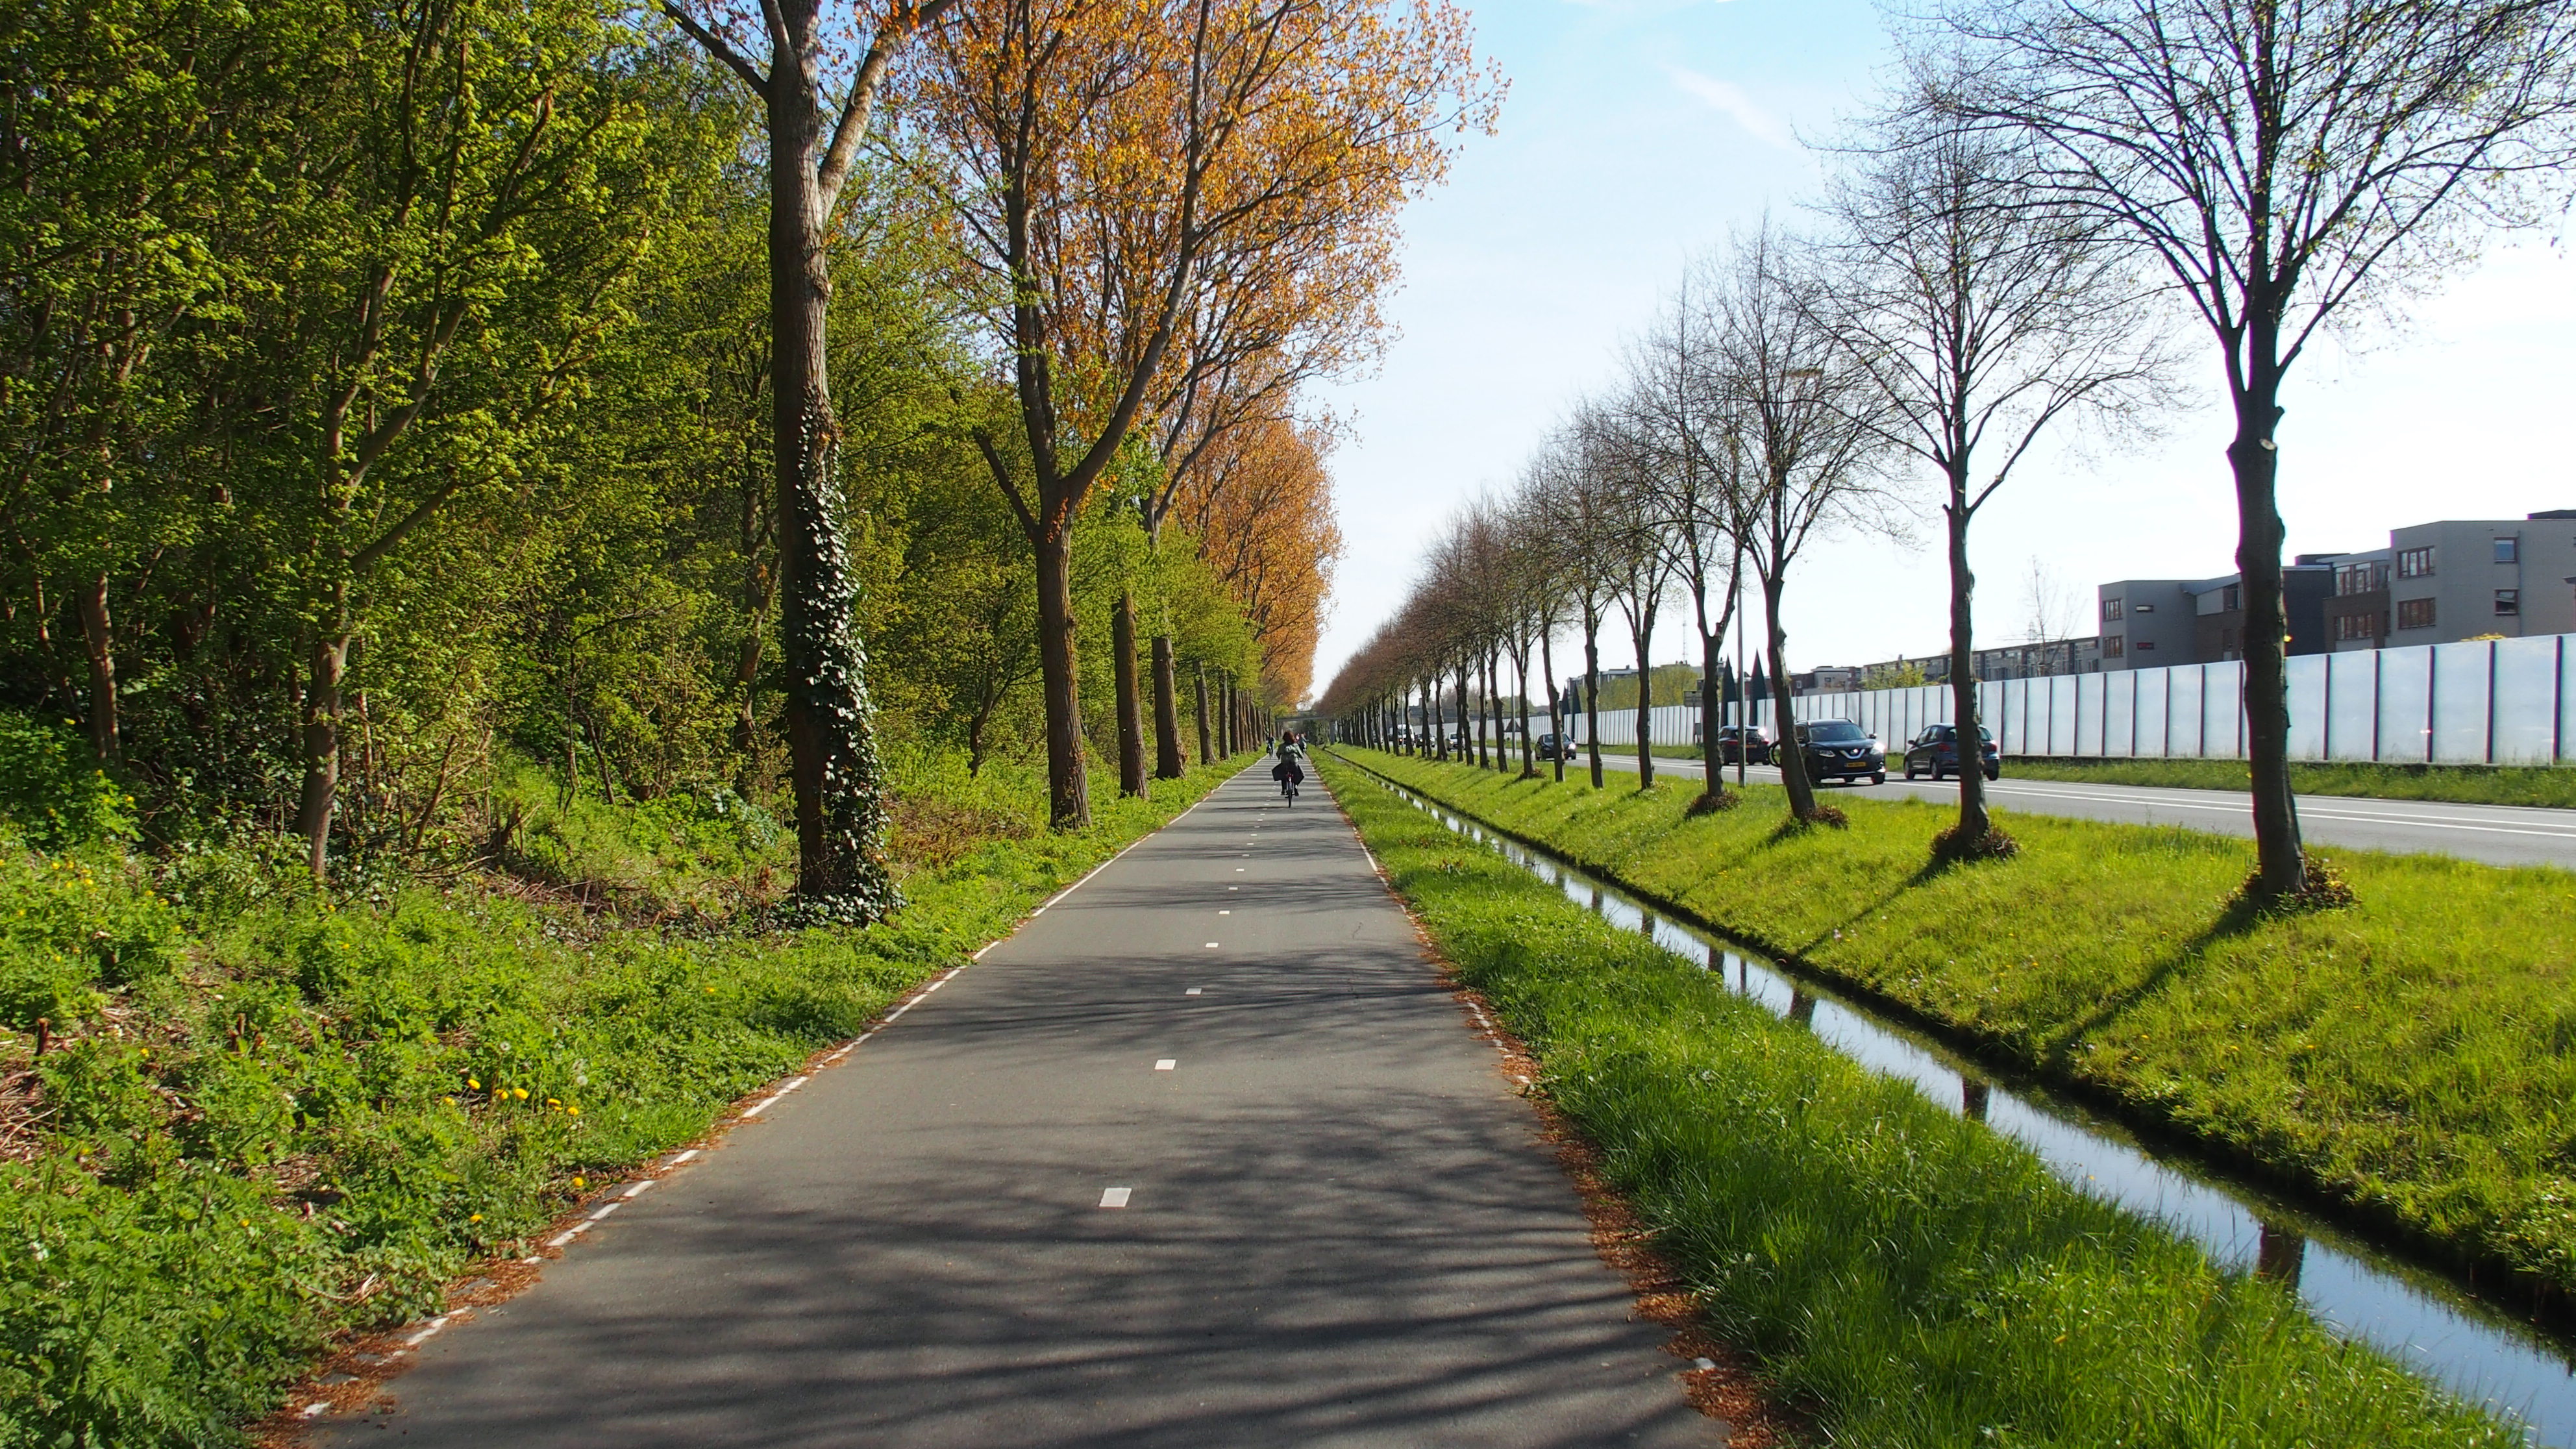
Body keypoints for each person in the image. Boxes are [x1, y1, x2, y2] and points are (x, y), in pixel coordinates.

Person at [1271, 730, 1306, 802]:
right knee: (1300, 774)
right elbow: (1300, 754)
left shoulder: (1281, 746)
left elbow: (1278, 754)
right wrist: (1301, 757)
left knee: (1282, 774)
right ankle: (1296, 787)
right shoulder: (1295, 746)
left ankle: (1284, 789)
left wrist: (1279, 756)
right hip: (1294, 763)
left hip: (1285, 764)